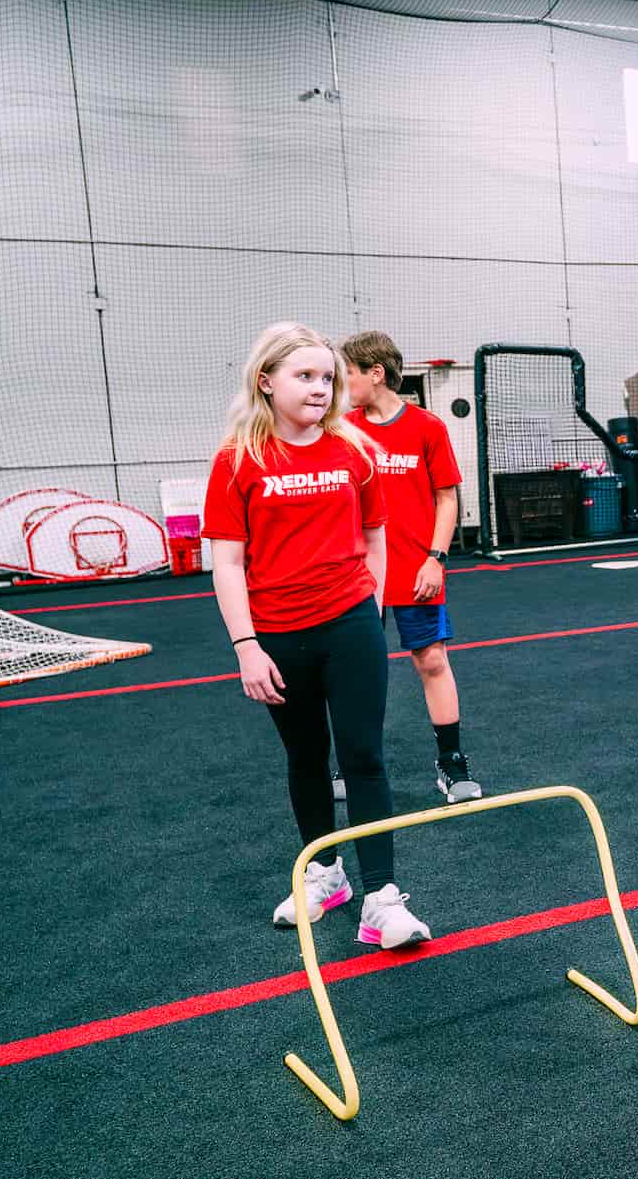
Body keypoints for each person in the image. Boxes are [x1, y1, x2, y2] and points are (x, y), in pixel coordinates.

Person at [203, 322, 431, 950]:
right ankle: (325, 877)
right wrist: (246, 646)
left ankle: (382, 900)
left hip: (350, 622)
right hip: (275, 632)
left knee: (363, 756)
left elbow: (377, 536)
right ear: (266, 380)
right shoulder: (237, 459)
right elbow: (226, 562)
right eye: (304, 375)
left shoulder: (354, 450)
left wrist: (371, 607)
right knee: (306, 757)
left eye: (327, 376)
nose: (320, 387)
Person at [342, 330, 481, 804]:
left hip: (417, 569)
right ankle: (352, 763)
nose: (343, 383)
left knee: (433, 660)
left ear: (375, 374)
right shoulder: (343, 430)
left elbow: (448, 499)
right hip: (360, 575)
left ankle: (452, 763)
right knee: (355, 671)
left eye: (349, 374)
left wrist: (435, 559)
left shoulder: (427, 427)